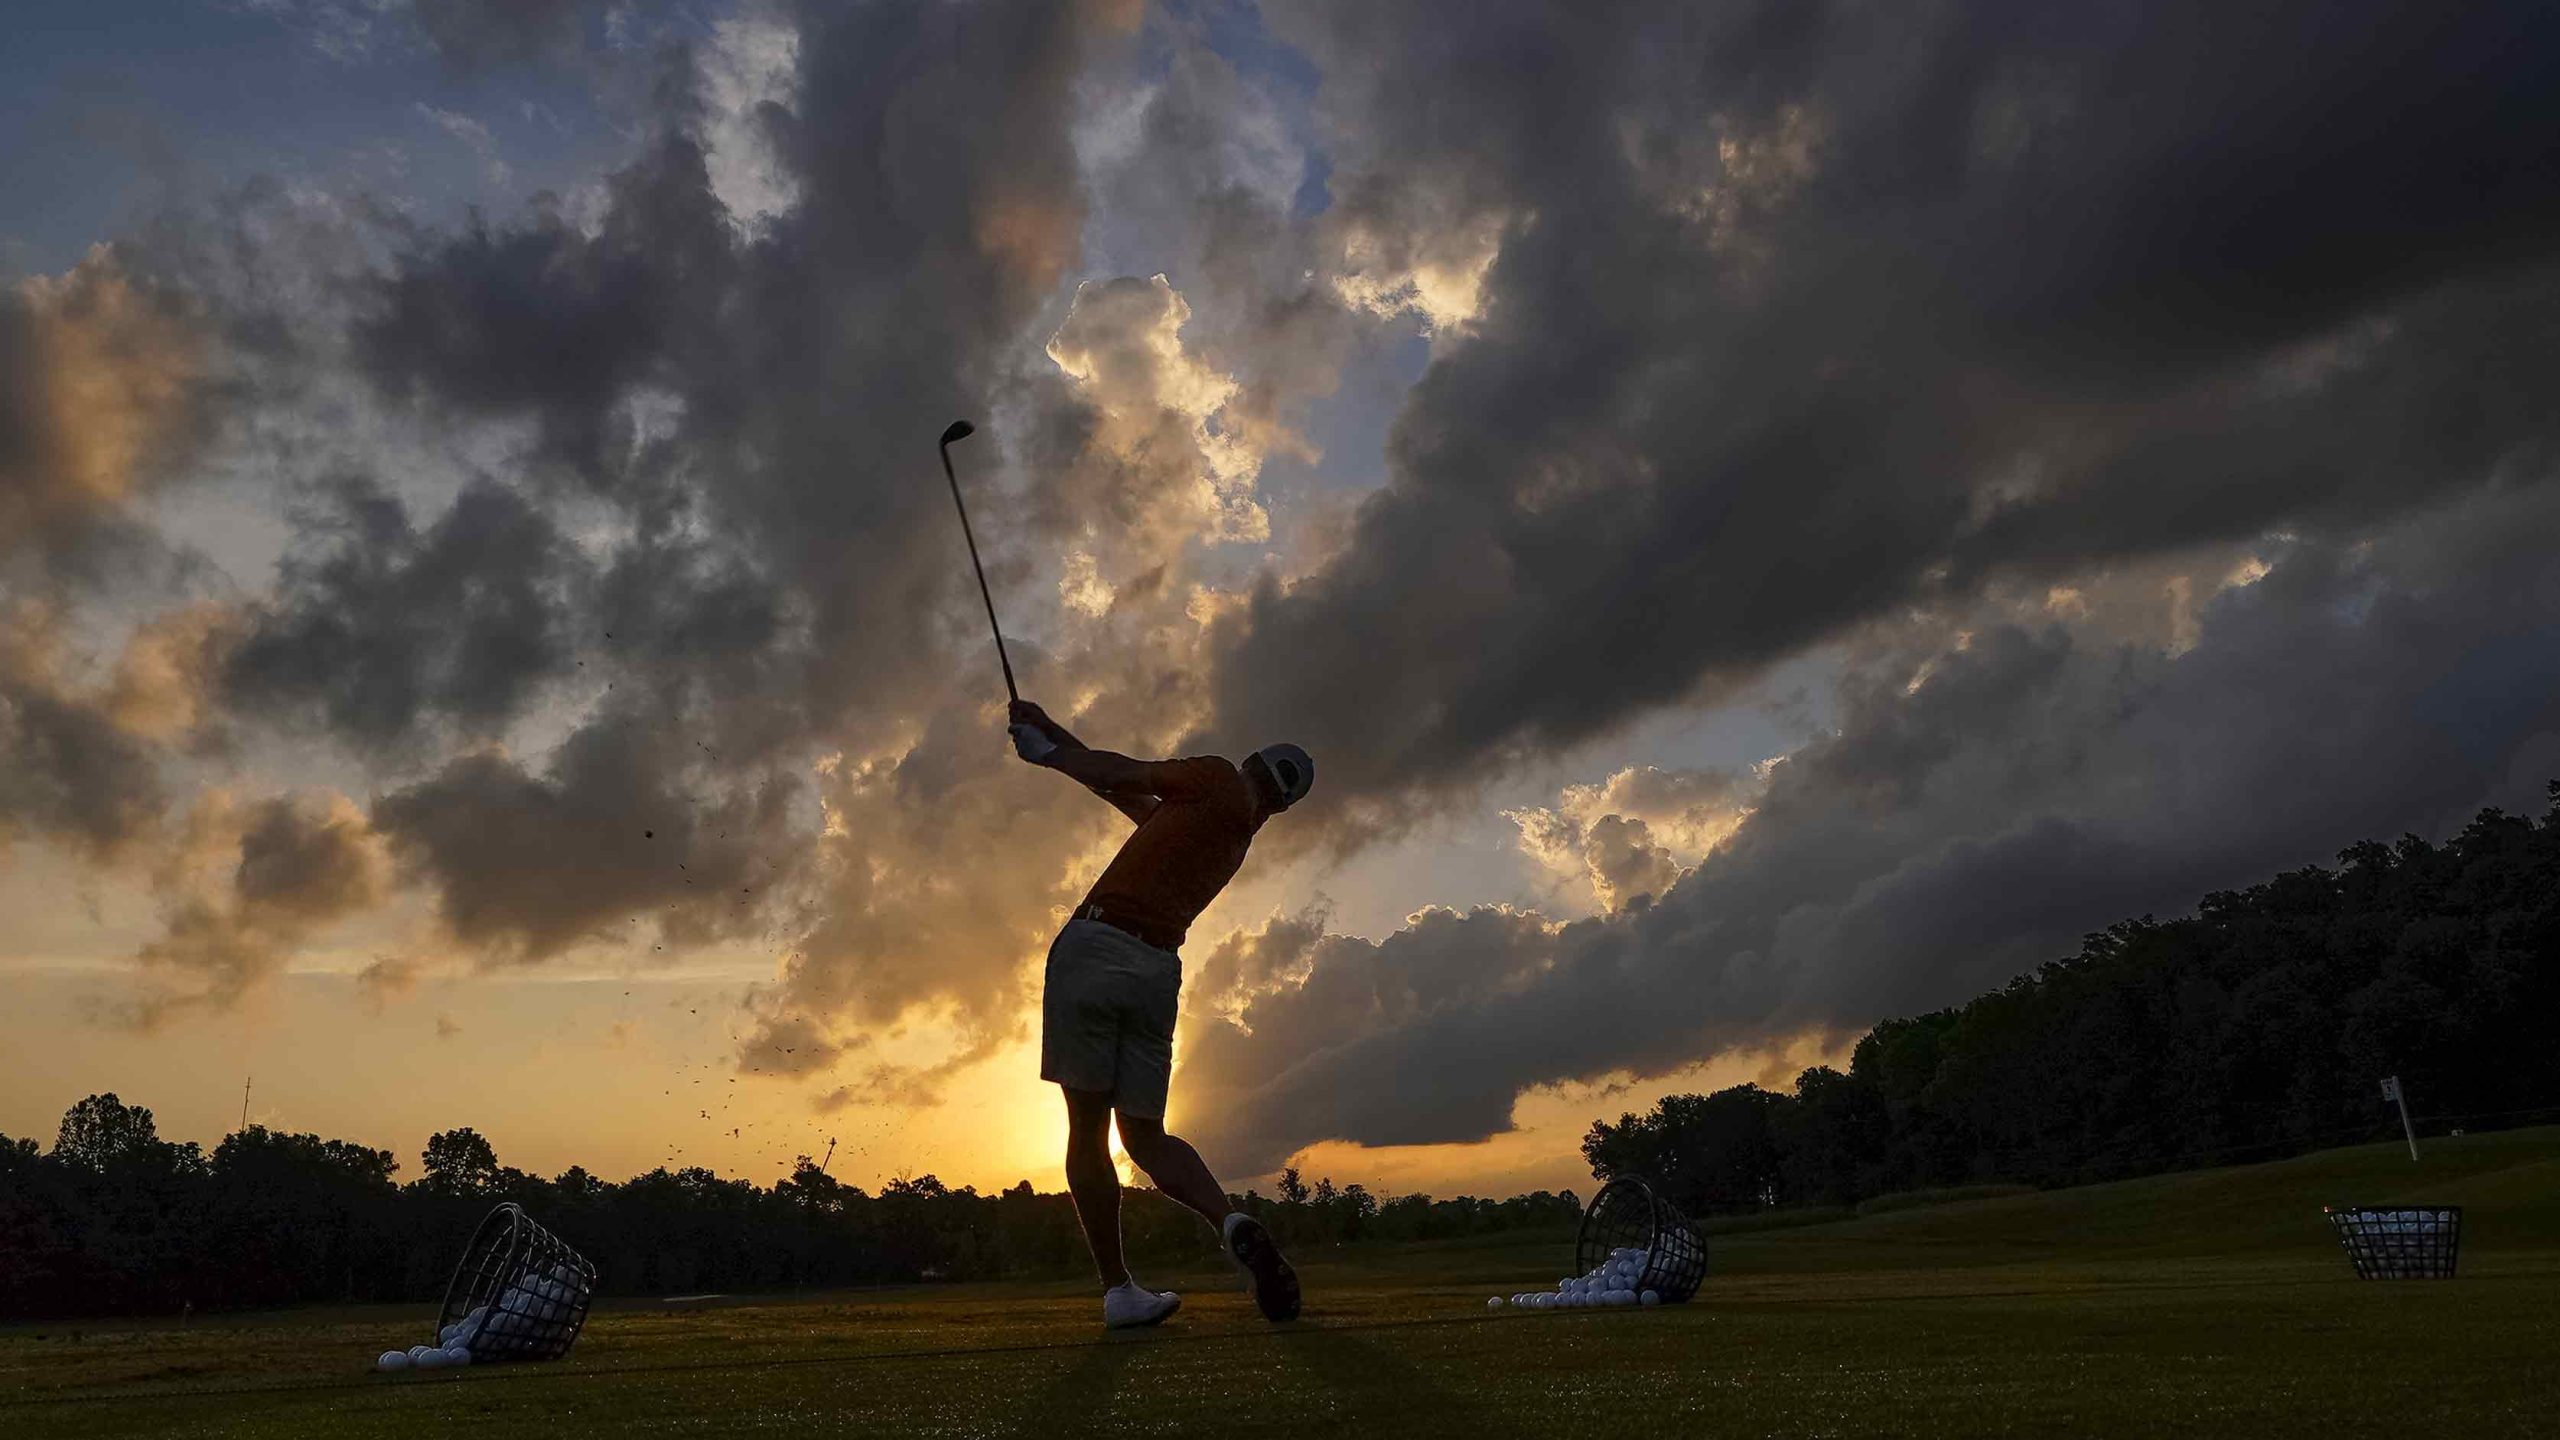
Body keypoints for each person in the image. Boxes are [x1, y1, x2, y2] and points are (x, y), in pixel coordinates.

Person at [1006, 698, 1314, 1329]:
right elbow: (1130, 802)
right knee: (1145, 1136)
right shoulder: (1233, 837)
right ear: (1280, 808)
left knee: (1088, 1132)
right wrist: (1055, 734)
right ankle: (1229, 1220)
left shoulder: (1215, 776)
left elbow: (1126, 771)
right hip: (1157, 972)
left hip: (1098, 947)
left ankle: (1119, 1289)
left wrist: (1049, 754)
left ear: (1251, 761)